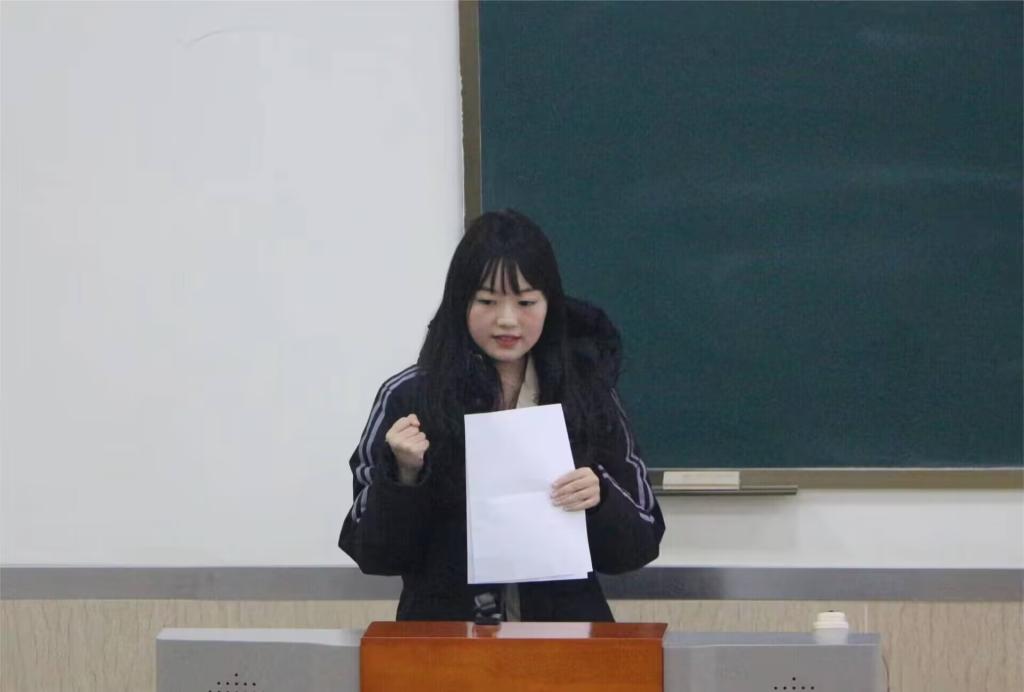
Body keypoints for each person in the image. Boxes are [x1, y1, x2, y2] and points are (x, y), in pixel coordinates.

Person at [338, 209, 664, 621]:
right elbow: (374, 555)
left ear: (550, 304)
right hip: (447, 641)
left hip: (564, 641)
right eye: (487, 301)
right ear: (460, 304)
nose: (507, 320)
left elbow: (642, 543)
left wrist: (600, 498)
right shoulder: (409, 397)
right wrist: (404, 476)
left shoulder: (586, 391)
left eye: (526, 302)